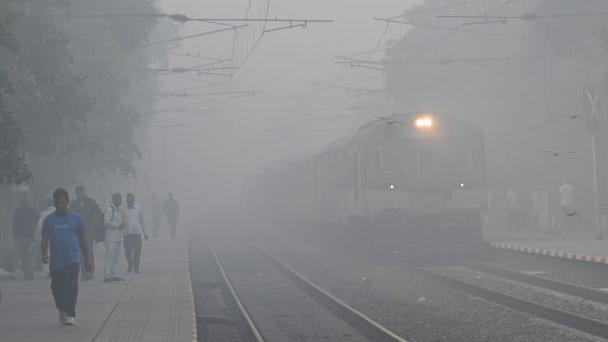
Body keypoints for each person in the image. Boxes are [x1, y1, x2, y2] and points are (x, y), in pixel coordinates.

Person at [41, 188, 92, 326]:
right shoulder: (49, 220)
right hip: (56, 261)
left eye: (63, 202)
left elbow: (82, 239)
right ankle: (61, 308)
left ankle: (70, 313)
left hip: (72, 259)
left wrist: (87, 258)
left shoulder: (76, 218)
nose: (60, 205)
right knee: (56, 288)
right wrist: (44, 254)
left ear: (67, 202)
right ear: (54, 203)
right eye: (57, 203)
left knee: (71, 286)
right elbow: (45, 238)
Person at [70, 186, 103, 280]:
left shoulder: (91, 202)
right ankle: (84, 273)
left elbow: (99, 213)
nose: (80, 194)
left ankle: (91, 271)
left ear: (84, 192)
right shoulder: (74, 204)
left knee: (88, 251)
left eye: (81, 192)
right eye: (78, 193)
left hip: (89, 231)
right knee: (80, 253)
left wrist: (95, 225)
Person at [12, 196, 39, 279]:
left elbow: (14, 224)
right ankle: (30, 273)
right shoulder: (34, 211)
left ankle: (26, 273)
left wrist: (15, 234)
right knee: (31, 255)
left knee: (24, 255)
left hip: (22, 237)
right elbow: (37, 223)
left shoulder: (18, 212)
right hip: (31, 236)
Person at [123, 193, 148, 273]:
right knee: (128, 252)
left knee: (137, 252)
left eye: (132, 199)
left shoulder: (139, 209)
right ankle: (130, 264)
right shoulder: (122, 210)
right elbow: (121, 222)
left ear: (134, 200)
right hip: (127, 234)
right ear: (126, 200)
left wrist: (145, 233)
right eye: (128, 199)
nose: (130, 201)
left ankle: (136, 268)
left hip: (137, 234)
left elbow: (142, 222)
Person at [104, 193, 125, 282]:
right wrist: (117, 226)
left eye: (120, 199)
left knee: (117, 257)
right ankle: (108, 275)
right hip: (111, 237)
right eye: (117, 199)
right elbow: (106, 222)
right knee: (110, 256)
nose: (119, 200)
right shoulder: (109, 209)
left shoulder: (119, 210)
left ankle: (115, 274)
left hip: (118, 237)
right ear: (113, 199)